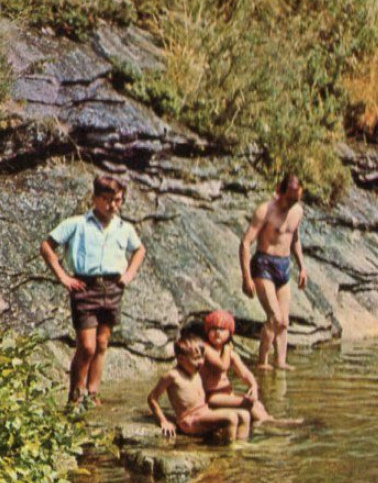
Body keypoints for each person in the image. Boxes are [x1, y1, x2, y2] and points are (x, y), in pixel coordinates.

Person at [41, 174, 146, 408]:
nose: (113, 206)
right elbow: (47, 246)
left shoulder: (124, 228)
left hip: (113, 287)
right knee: (86, 346)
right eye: (107, 200)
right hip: (84, 286)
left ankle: (93, 392)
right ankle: (75, 395)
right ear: (95, 198)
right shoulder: (77, 223)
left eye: (118, 200)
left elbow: (139, 250)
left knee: (102, 343)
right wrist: (63, 276)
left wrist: (128, 276)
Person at [240, 173, 308, 371]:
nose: (291, 204)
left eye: (296, 199)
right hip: (264, 265)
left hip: (284, 265)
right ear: (280, 191)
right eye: (289, 198)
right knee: (275, 318)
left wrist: (302, 267)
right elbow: (245, 243)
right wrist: (246, 277)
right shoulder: (265, 210)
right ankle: (262, 363)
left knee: (284, 322)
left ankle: (280, 362)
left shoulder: (298, 212)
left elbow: (294, 239)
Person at [148, 335, 251, 443]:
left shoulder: (195, 371)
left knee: (245, 415)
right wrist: (163, 421)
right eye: (196, 358)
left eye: (202, 357)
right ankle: (228, 452)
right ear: (181, 358)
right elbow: (152, 398)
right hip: (190, 420)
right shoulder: (172, 376)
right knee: (231, 418)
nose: (201, 362)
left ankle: (240, 445)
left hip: (204, 412)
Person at [196, 309, 275, 425]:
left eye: (222, 329)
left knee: (258, 404)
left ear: (229, 333)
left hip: (227, 393)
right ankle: (270, 423)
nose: (217, 332)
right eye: (213, 329)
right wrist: (227, 349)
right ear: (207, 331)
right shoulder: (206, 349)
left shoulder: (230, 354)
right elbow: (222, 366)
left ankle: (265, 421)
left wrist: (253, 385)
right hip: (212, 396)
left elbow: (244, 374)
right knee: (247, 403)